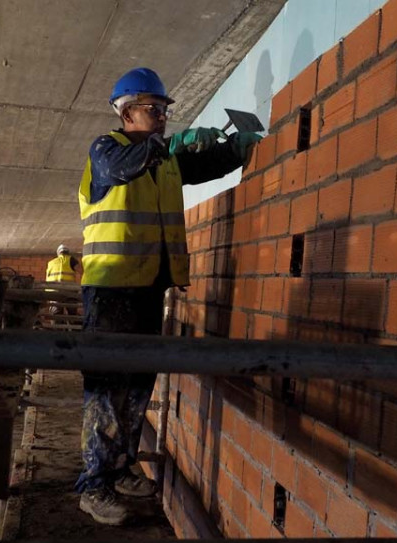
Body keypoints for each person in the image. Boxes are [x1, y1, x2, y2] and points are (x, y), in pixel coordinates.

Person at [75, 66, 261, 525]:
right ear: (126, 112)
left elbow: (203, 164)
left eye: (163, 111)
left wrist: (237, 148)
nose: (161, 117)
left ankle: (120, 470)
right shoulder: (107, 150)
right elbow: (121, 169)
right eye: (153, 110)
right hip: (109, 289)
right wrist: (164, 146)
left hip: (147, 289)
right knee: (106, 389)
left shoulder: (164, 161)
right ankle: (93, 485)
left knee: (139, 385)